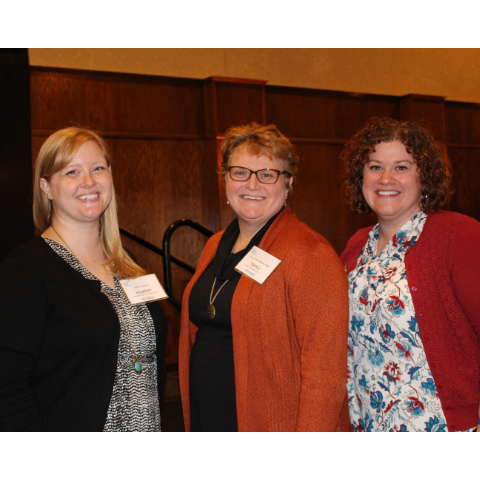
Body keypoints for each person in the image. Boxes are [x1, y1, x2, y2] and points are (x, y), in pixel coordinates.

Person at [179, 122, 350, 432]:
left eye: (267, 174)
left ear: (288, 183)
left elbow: (325, 373)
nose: (252, 185)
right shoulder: (215, 244)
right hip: (211, 414)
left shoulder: (311, 253)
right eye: (240, 172)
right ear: (226, 179)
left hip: (271, 422)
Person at [0, 127, 167, 431]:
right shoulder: (26, 269)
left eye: (98, 168)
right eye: (72, 171)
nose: (88, 181)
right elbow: (8, 385)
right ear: (46, 187)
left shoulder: (127, 262)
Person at [340, 117, 480, 432]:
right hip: (368, 425)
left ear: (424, 176)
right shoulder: (356, 245)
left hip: (441, 428)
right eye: (375, 167)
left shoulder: (459, 235)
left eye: (401, 167)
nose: (386, 178)